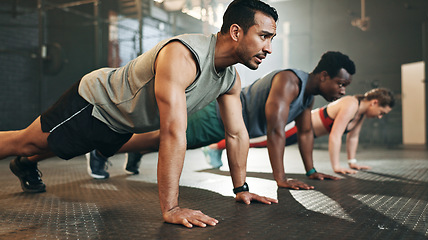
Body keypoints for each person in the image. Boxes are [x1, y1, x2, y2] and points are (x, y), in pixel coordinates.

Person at [1, 0, 279, 228]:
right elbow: (172, 132)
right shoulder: (183, 55)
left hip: (121, 123)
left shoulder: (229, 79)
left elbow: (236, 132)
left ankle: (25, 164)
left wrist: (241, 188)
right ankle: (24, 157)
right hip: (96, 103)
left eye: (271, 39)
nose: (268, 48)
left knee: (64, 146)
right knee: (25, 141)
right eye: (263, 36)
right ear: (235, 32)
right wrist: (171, 208)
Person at [111, 51, 356, 190]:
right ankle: (104, 148)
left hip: (231, 126)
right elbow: (276, 131)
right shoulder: (289, 82)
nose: (343, 91)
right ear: (324, 76)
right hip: (217, 117)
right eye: (341, 84)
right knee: (161, 140)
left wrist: (311, 171)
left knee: (159, 142)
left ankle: (136, 152)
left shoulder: (307, 97)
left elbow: (304, 133)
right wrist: (280, 180)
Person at [203, 88, 395, 174]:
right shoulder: (351, 104)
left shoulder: (360, 114)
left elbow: (352, 138)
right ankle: (213, 147)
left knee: (259, 143)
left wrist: (352, 163)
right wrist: (336, 166)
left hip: (306, 134)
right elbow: (336, 136)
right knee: (258, 142)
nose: (380, 116)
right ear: (375, 102)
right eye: (381, 112)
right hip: (296, 127)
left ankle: (215, 147)